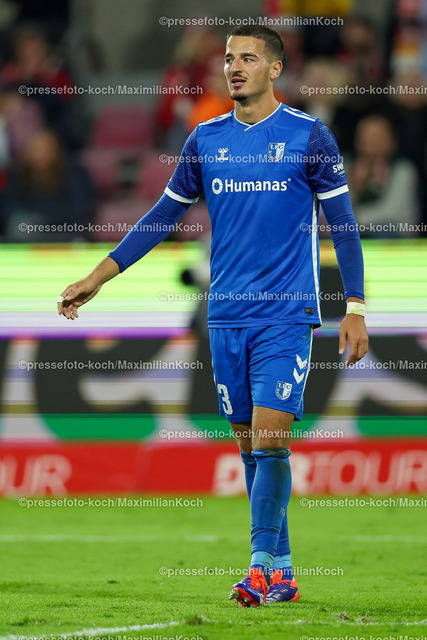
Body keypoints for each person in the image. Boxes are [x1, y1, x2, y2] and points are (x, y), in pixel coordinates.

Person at [57, 25, 368, 607]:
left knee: (271, 440)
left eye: (248, 57)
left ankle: (258, 567)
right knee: (251, 447)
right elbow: (160, 217)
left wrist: (354, 305)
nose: (235, 66)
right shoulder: (205, 139)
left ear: (275, 69)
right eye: (228, 58)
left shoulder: (309, 136)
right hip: (224, 316)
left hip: (286, 313)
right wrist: (98, 276)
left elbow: (344, 226)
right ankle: (283, 571)